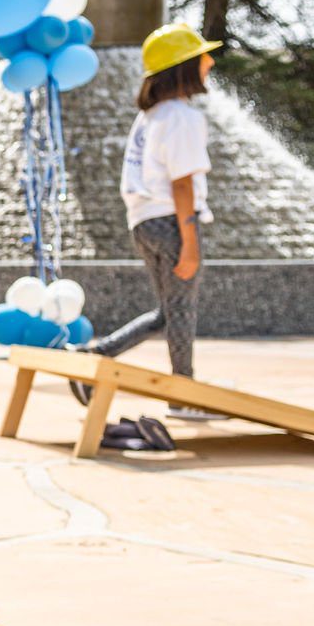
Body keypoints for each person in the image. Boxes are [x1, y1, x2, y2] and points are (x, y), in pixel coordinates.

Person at [71, 22, 224, 420]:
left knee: (168, 312)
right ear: (184, 67)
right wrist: (190, 242)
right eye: (202, 56)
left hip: (143, 223)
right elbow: (183, 183)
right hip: (172, 222)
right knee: (182, 312)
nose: (209, 61)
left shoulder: (151, 116)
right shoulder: (182, 117)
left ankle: (95, 355)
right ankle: (183, 395)